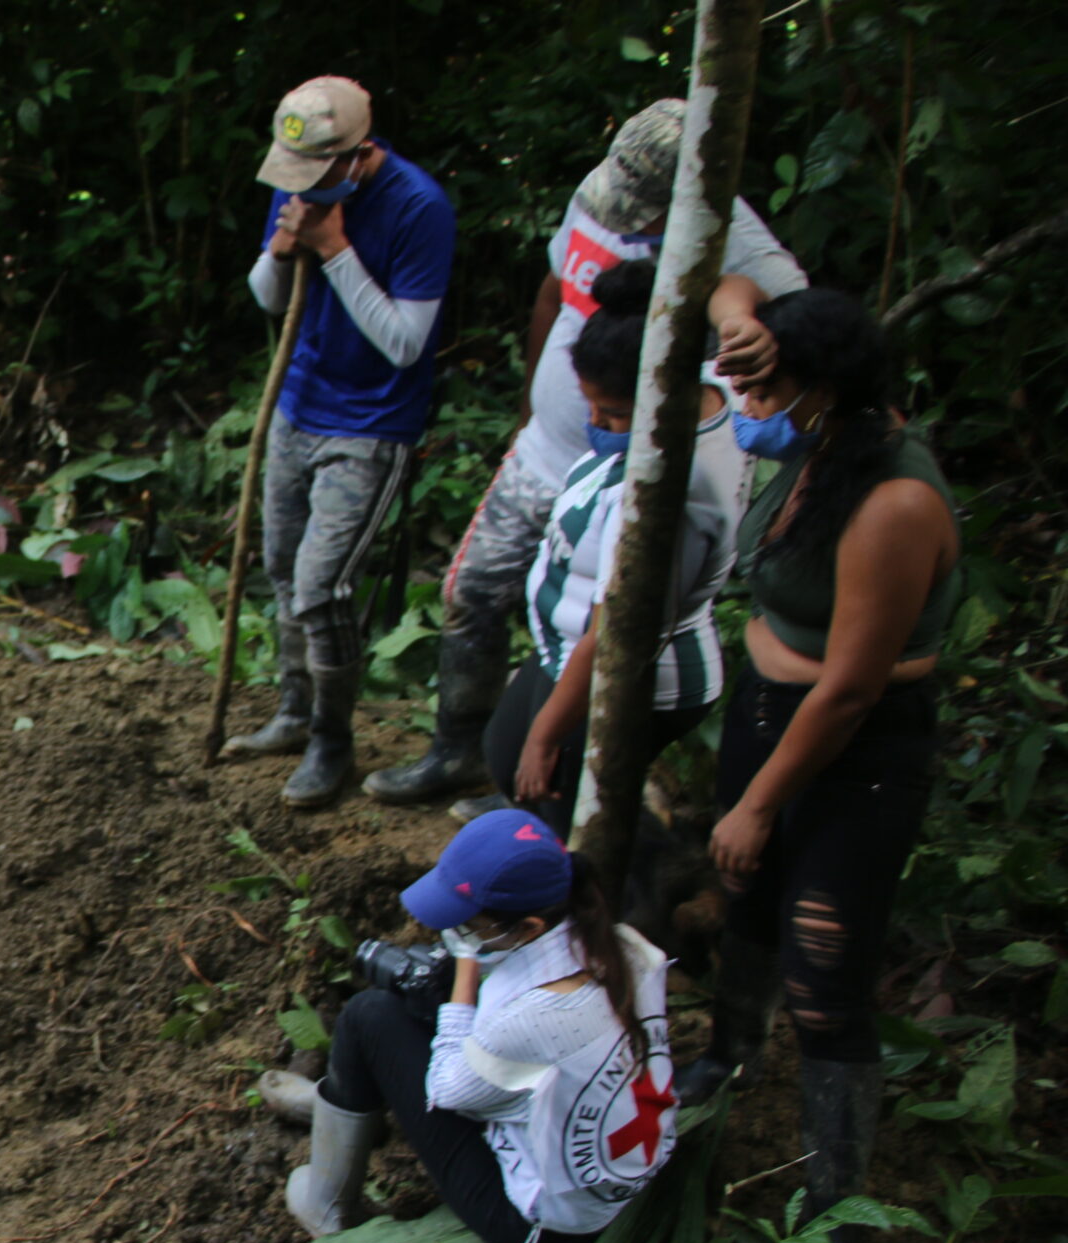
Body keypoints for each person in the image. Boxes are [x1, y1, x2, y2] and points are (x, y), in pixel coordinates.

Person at [364, 96, 808, 810]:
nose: (620, 213)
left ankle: (555, 783)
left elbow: (792, 359)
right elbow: (552, 291)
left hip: (639, 479)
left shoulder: (745, 251)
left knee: (599, 629)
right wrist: (530, 407)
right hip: (551, 449)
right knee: (471, 593)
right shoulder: (603, 191)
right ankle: (461, 751)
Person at [672, 289, 958, 1243]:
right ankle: (728, 1059)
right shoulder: (812, 445)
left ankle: (838, 1200)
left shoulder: (894, 500)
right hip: (763, 714)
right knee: (746, 901)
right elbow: (727, 280)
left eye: (765, 384)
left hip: (855, 749)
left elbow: (849, 688)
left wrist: (758, 802)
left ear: (824, 389)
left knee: (826, 965)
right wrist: (742, 327)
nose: (747, 402)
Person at [264, 812, 678, 1243]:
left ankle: (326, 1204)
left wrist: (463, 970)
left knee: (368, 1015)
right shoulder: (624, 949)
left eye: (468, 925)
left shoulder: (532, 1017)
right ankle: (345, 1108)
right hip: (629, 1179)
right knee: (423, 1017)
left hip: (551, 1229)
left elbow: (447, 1091)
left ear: (530, 927)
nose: (459, 933)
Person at [224, 75, 456, 808]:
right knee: (284, 569)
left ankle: (332, 739)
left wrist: (334, 249)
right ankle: (293, 713)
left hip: (370, 423)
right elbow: (266, 296)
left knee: (323, 588)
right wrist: (288, 242)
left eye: (323, 172)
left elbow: (404, 344)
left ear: (359, 155)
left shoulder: (419, 207)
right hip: (299, 403)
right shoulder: (300, 181)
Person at [486, 259, 750, 837]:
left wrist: (547, 734)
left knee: (570, 816)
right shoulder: (705, 389)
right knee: (512, 764)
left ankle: (624, 906)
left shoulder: (667, 498)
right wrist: (737, 317)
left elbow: (616, 630)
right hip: (571, 651)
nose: (599, 425)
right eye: (594, 410)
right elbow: (731, 287)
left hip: (631, 674)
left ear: (664, 395)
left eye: (615, 415)